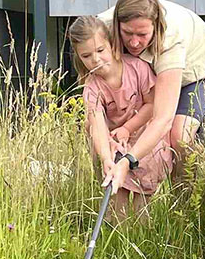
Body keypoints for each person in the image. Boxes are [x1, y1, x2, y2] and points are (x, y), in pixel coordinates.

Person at [97, 0, 205, 190]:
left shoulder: (171, 40)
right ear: (117, 24)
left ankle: (182, 196)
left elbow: (162, 119)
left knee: (180, 136)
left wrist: (128, 160)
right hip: (149, 70)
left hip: (195, 71)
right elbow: (95, 105)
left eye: (142, 34)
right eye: (127, 33)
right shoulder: (101, 29)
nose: (134, 42)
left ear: (156, 27)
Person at [69, 15, 173, 216]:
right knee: (118, 194)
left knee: (142, 199)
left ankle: (143, 237)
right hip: (116, 143)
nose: (96, 60)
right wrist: (106, 157)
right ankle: (119, 237)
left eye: (100, 50)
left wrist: (128, 128)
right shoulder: (92, 88)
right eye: (86, 56)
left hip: (144, 138)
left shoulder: (137, 68)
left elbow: (152, 105)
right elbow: (97, 125)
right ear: (78, 57)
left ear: (112, 44)